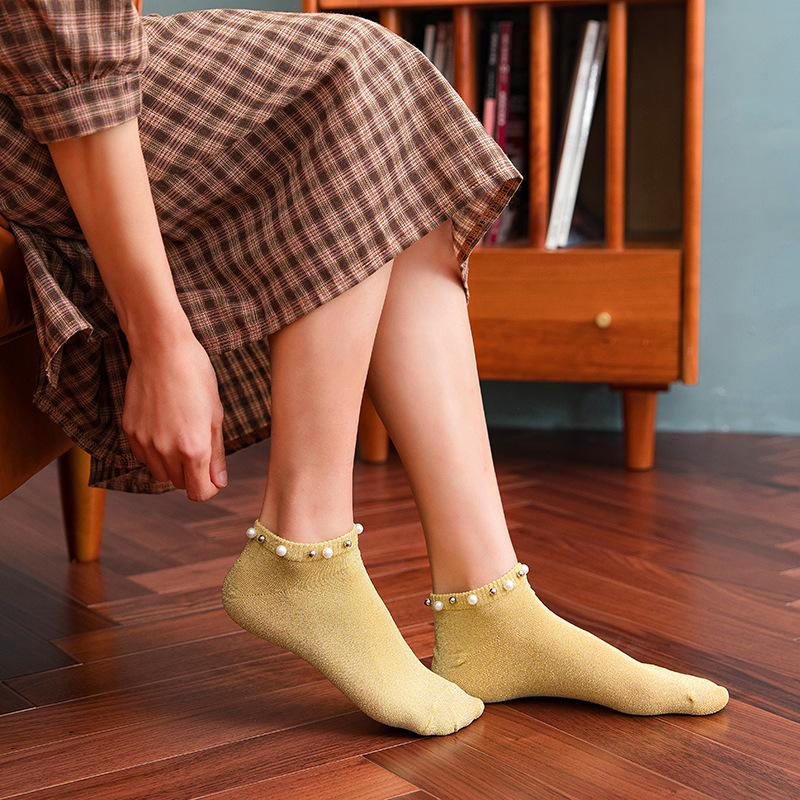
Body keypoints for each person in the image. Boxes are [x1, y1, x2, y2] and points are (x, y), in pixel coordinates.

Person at [0, 1, 728, 736]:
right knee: (347, 74)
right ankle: (303, 545)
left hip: (76, 45)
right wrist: (161, 342)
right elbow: (61, 51)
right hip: (33, 68)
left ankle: (489, 602)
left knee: (384, 79)